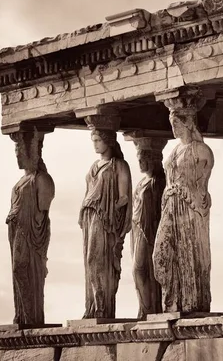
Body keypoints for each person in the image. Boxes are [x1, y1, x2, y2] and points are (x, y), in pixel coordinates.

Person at [153, 102, 214, 313]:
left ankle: (190, 302)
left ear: (188, 124)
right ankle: (172, 300)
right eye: (172, 124)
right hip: (170, 203)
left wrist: (202, 198)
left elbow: (203, 185)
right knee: (160, 256)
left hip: (189, 206)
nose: (174, 129)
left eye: (177, 124)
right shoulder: (175, 150)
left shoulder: (202, 150)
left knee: (189, 254)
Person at [79, 129, 132, 319]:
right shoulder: (94, 165)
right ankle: (92, 306)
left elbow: (124, 197)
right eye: (93, 140)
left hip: (104, 218)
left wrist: (110, 212)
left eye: (98, 140)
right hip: (89, 215)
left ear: (108, 141)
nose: (95, 144)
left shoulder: (119, 165)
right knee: (89, 261)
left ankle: (102, 305)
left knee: (96, 259)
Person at [6, 130, 55, 324]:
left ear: (31, 153)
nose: (18, 158)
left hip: (30, 234)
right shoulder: (19, 182)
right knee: (17, 270)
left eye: (20, 154)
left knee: (23, 269)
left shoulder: (41, 179)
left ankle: (32, 315)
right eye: (16, 154)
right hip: (17, 231)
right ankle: (23, 314)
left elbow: (43, 211)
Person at [131, 144, 166, 319]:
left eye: (143, 159)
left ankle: (152, 308)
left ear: (153, 160)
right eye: (139, 159)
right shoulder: (141, 183)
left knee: (146, 269)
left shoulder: (159, 182)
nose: (140, 163)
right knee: (138, 270)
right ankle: (145, 308)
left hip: (152, 230)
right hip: (138, 230)